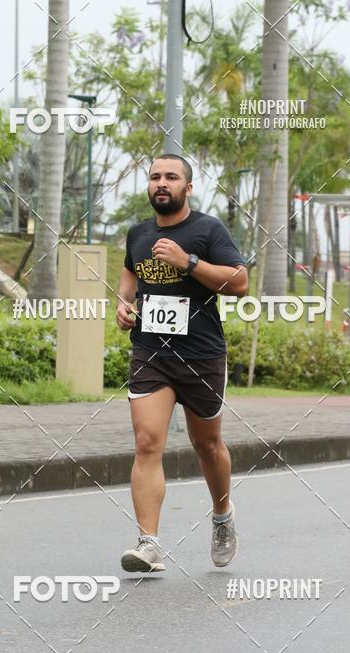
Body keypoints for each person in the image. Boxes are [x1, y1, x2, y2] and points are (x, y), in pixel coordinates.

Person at [116, 153, 249, 573]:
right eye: (155, 177)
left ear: (187, 187)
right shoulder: (137, 234)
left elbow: (240, 283)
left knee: (206, 445)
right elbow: (128, 280)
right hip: (151, 352)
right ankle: (149, 544)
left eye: (171, 177)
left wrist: (188, 262)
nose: (162, 183)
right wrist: (122, 307)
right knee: (146, 442)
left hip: (202, 355)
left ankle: (223, 516)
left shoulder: (208, 229)